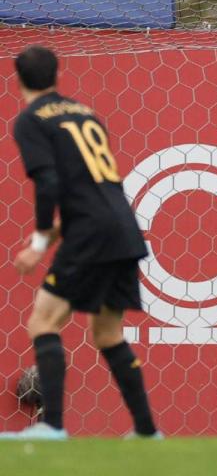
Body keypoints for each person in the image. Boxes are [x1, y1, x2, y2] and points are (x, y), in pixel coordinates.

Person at [2, 46, 158, 440]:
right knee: (107, 335)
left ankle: (52, 427)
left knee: (43, 321)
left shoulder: (31, 120)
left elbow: (50, 183)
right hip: (122, 227)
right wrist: (58, 232)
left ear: (18, 79)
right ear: (57, 75)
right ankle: (146, 433)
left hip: (89, 233)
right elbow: (93, 187)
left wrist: (39, 242)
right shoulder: (87, 114)